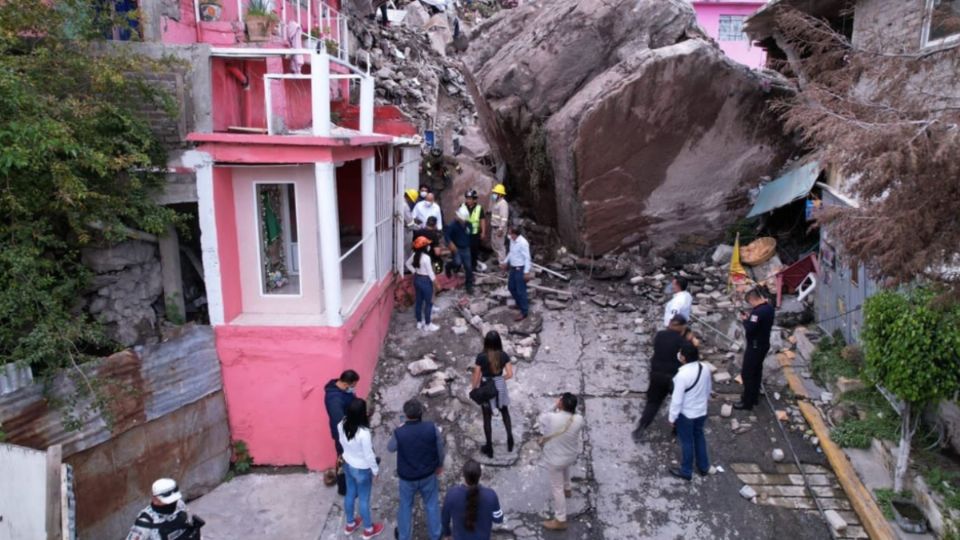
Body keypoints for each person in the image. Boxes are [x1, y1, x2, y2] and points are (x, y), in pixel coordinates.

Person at [388, 399, 446, 540]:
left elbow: (390, 448)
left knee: (405, 506)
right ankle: (436, 534)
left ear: (406, 415)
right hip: (428, 474)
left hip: (407, 477)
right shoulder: (431, 428)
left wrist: (400, 430)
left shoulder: (399, 432)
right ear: (421, 413)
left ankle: (404, 536)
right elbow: (440, 449)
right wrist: (439, 465)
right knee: (432, 504)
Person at [633, 315, 689, 441]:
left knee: (653, 403)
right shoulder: (683, 342)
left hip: (656, 375)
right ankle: (677, 430)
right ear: (682, 327)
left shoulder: (660, 335)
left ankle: (641, 428)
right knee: (681, 403)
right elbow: (687, 359)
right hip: (674, 378)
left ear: (670, 323)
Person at [338, 398, 384, 539]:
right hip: (362, 469)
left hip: (348, 463)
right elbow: (369, 455)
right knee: (364, 499)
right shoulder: (364, 433)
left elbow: (341, 441)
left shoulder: (341, 424)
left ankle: (350, 524)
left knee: (350, 494)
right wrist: (375, 471)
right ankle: (369, 529)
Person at [538, 392, 584, 532]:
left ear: (561, 404)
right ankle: (568, 488)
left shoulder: (551, 417)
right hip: (570, 456)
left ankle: (560, 519)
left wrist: (555, 405)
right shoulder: (579, 419)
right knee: (565, 468)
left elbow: (541, 418)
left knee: (556, 489)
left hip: (555, 459)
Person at [668, 342, 711, 481]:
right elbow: (708, 389)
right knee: (699, 436)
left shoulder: (681, 375)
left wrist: (672, 417)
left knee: (687, 442)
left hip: (686, 413)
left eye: (681, 353)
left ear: (684, 358)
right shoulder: (704, 368)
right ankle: (703, 467)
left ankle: (686, 470)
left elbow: (677, 399)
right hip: (701, 411)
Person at [471, 331, 515, 458]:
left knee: (487, 417)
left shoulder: (481, 357)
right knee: (505, 412)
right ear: (498, 342)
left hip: (486, 388)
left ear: (486, 342)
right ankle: (510, 440)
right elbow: (510, 374)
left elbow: (476, 375)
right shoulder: (504, 355)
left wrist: (474, 388)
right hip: (500, 387)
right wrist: (499, 379)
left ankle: (489, 447)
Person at [734, 288, 776, 410]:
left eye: (750, 302)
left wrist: (745, 321)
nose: (750, 305)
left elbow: (750, 329)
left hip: (755, 346)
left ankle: (747, 402)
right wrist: (750, 318)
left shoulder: (757, 313)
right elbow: (758, 323)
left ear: (753, 299)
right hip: (763, 344)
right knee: (757, 371)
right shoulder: (768, 308)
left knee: (747, 374)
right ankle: (754, 395)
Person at [441, 460, 503, 540]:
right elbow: (498, 519)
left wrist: (447, 534)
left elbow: (444, 520)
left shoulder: (451, 494)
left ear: (463, 475)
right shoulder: (490, 495)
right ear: (480, 475)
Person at [126, 478, 204, 540]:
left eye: (174, 500)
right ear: (155, 500)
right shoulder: (145, 522)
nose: (172, 504)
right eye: (168, 501)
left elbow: (186, 526)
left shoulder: (179, 504)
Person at [324, 369, 360, 483]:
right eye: (353, 386)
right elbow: (338, 421)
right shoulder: (334, 399)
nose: (353, 388)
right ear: (345, 384)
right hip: (343, 434)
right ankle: (343, 485)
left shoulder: (342, 390)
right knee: (343, 458)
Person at [407, 236, 439, 332]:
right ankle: (428, 324)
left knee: (419, 301)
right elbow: (430, 273)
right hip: (425, 281)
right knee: (429, 303)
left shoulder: (414, 255)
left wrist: (414, 272)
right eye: (427, 244)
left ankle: (419, 322)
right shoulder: (426, 258)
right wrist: (437, 284)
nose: (429, 246)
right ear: (424, 247)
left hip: (417, 279)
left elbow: (407, 264)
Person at [502, 226, 531, 321]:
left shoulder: (523, 243)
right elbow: (511, 252)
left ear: (515, 234)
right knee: (511, 287)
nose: (509, 235)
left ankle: (524, 312)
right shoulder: (512, 240)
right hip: (513, 268)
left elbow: (527, 258)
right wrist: (505, 261)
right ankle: (520, 304)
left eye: (511, 233)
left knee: (521, 291)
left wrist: (526, 272)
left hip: (520, 268)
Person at [445, 208, 474, 295]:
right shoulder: (452, 225)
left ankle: (469, 285)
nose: (456, 216)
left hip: (466, 248)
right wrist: (450, 243)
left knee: (468, 267)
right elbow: (447, 235)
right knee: (457, 262)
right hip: (456, 248)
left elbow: (470, 234)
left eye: (458, 215)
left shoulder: (469, 225)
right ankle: (448, 266)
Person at [458, 189, 486, 272]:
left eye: (470, 198)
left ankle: (473, 267)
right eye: (467, 198)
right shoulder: (462, 206)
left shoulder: (479, 208)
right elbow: (458, 218)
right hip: (464, 233)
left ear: (474, 199)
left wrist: (483, 232)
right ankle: (463, 266)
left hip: (474, 233)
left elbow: (482, 220)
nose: (468, 200)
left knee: (474, 251)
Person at [489, 184, 509, 265]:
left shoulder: (503, 203)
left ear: (500, 194)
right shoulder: (497, 202)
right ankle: (499, 261)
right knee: (494, 245)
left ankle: (502, 265)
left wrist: (501, 228)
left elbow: (504, 218)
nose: (494, 194)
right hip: (494, 227)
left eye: (495, 193)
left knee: (500, 247)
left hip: (499, 228)